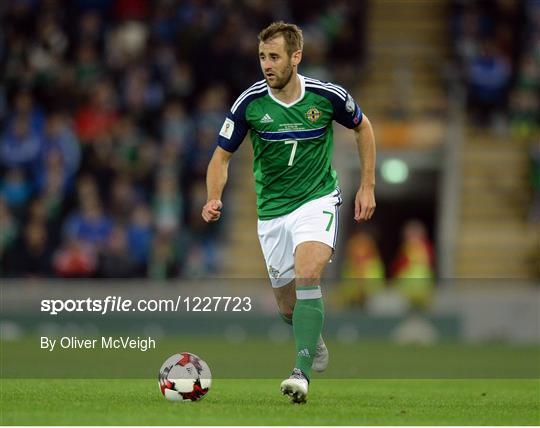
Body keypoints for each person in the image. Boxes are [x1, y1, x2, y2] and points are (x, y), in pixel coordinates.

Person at [202, 22, 376, 403]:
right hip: (272, 211)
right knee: (287, 306)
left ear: (295, 57)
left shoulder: (326, 96)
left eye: (275, 57)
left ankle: (300, 373)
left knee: (308, 272)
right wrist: (214, 196)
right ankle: (310, 338)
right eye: (263, 56)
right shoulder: (250, 103)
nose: (267, 65)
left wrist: (367, 185)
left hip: (316, 199)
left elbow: (363, 128)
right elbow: (220, 157)